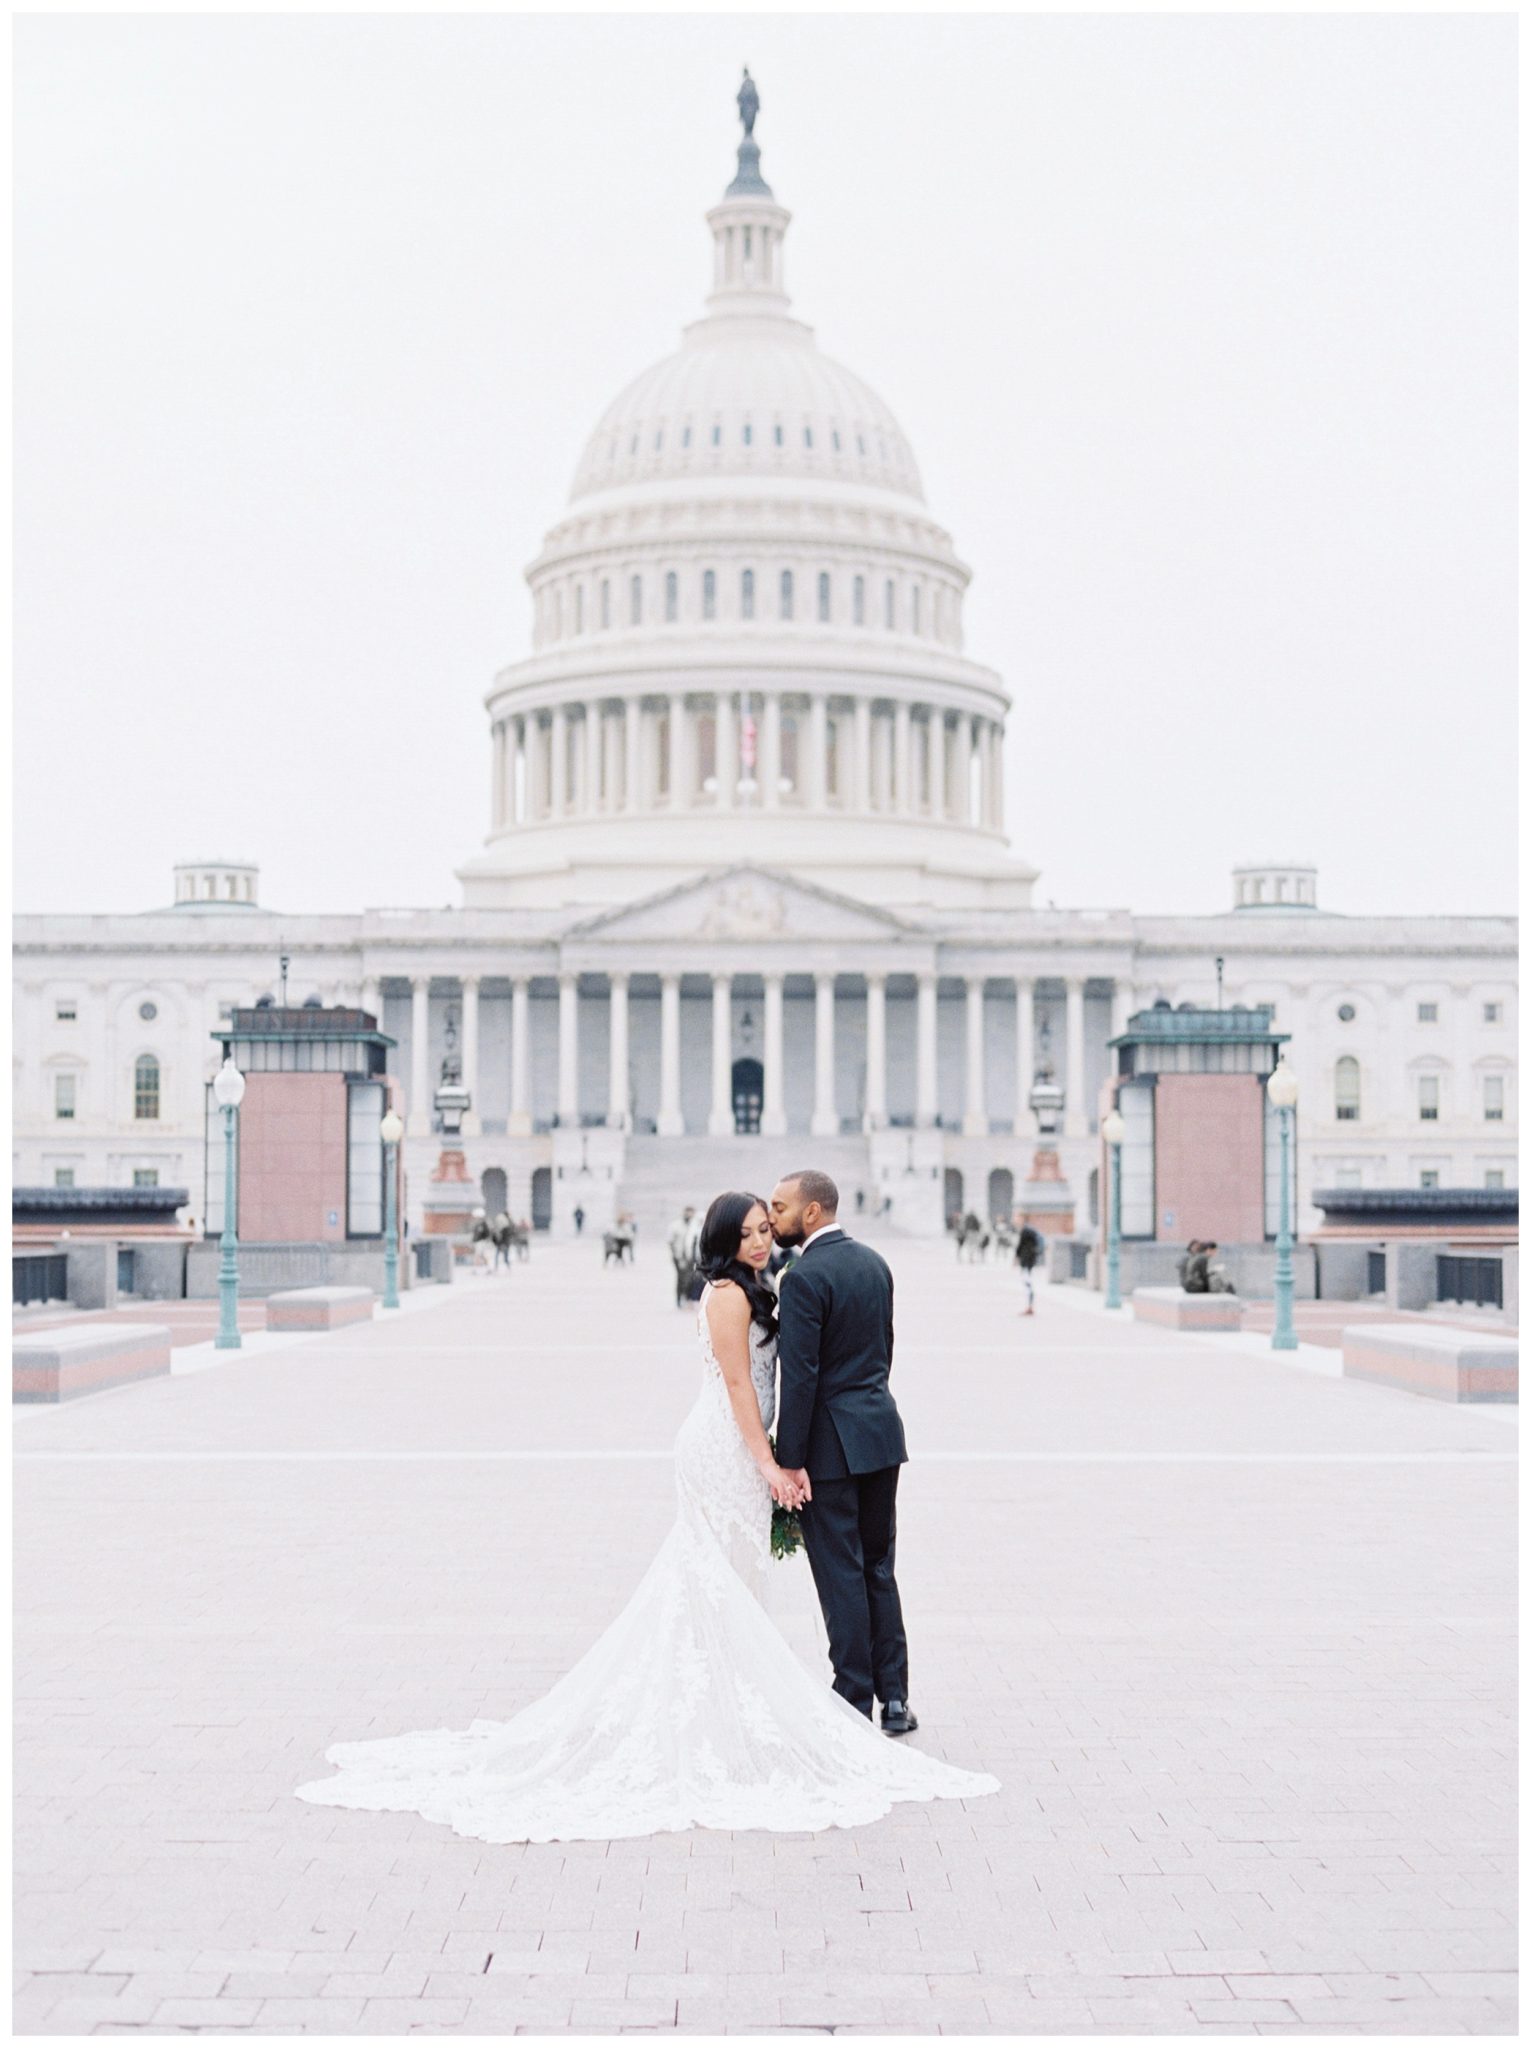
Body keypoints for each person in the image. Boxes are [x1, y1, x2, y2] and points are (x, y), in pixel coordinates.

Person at [294, 1188, 997, 1842]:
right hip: (726, 1448)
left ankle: (732, 1706)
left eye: (764, 1228)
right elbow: (735, 1384)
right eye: (748, 1231)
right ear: (722, 1240)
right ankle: (730, 1712)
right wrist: (769, 1462)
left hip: (754, 1448)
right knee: (719, 1579)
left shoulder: (764, 1286)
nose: (760, 1240)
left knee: (732, 1584)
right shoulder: (726, 1295)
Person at [771, 1170, 923, 1738]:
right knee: (879, 1568)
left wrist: (789, 1459)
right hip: (880, 1434)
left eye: (782, 1207)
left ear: (812, 1213)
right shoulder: (874, 1264)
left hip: (831, 1449)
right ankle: (897, 1699)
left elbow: (801, 1377)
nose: (774, 1217)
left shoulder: (804, 1277)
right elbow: (882, 1350)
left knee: (841, 1574)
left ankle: (853, 1696)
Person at [668, 1205, 700, 1307]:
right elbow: (671, 1242)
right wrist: (676, 1256)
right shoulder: (676, 1225)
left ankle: (686, 1297)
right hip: (679, 1256)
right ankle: (679, 1298)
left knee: (690, 1277)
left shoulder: (695, 1226)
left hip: (690, 1256)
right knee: (680, 1277)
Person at [1015, 1222, 1042, 1314]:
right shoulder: (1033, 1236)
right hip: (1030, 1261)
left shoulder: (1024, 1233)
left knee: (1027, 1283)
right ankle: (1030, 1305)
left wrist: (1016, 1257)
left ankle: (1029, 1306)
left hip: (1026, 1262)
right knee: (1028, 1281)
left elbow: (1019, 1246)